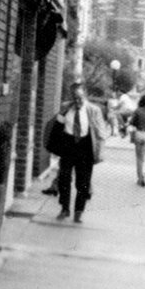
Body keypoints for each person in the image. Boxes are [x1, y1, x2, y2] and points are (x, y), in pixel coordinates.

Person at [55, 82, 108, 223]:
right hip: (68, 146)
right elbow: (57, 125)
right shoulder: (66, 107)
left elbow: (101, 132)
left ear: (85, 96)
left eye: (80, 98)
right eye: (75, 98)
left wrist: (100, 152)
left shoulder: (93, 110)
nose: (77, 101)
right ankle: (65, 208)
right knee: (64, 178)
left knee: (83, 182)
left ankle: (79, 211)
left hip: (85, 148)